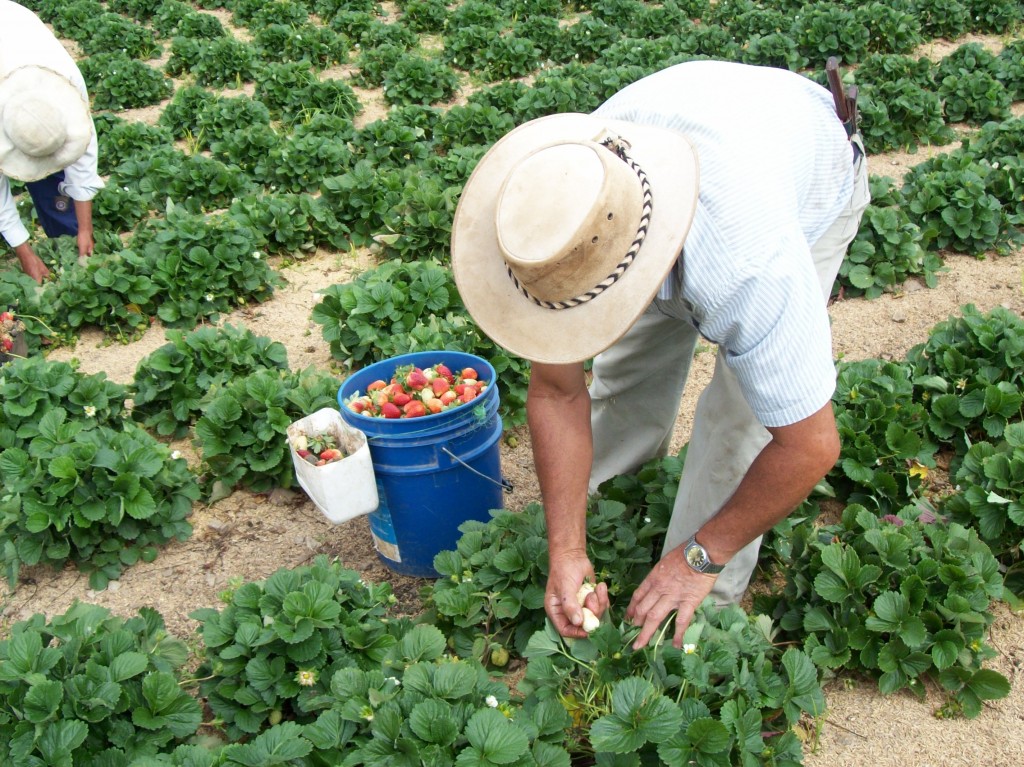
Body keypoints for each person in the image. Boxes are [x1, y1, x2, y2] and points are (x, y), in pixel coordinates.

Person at [450, 60, 869, 650]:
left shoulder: (750, 264)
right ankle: (612, 523)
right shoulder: (565, 205)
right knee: (625, 375)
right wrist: (565, 547)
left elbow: (810, 447)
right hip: (692, 145)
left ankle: (691, 611)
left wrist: (699, 557)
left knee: (739, 423)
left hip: (810, 160)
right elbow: (557, 389)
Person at [0, 0, 103, 283]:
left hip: (16, 27)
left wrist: (84, 228)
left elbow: (83, 158)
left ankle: (67, 240)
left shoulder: (66, 84)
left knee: (53, 177)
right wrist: (24, 252)